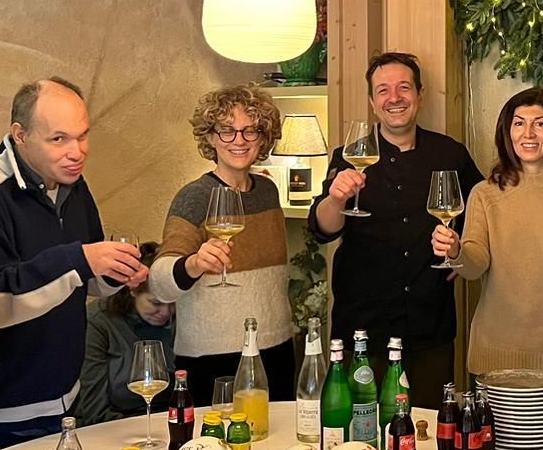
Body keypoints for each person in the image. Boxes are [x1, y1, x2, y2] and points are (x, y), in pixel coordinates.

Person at [0, 77, 147, 450]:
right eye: (59, 139)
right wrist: (78, 259)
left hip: (61, 405)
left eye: (83, 136)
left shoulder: (73, 185)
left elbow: (84, 282)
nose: (76, 152)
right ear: (20, 136)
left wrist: (116, 273)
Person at [309, 52, 482, 408]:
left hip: (429, 324)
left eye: (404, 88)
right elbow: (323, 229)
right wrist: (336, 199)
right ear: (373, 102)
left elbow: (481, 208)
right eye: (383, 90)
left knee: (431, 425)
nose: (395, 98)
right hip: (363, 326)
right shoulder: (349, 155)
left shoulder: (450, 154)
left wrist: (460, 252)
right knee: (362, 426)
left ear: (419, 94)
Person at [433, 87, 543, 446]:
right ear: (507, 133)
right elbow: (475, 264)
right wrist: (456, 250)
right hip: (495, 359)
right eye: (519, 123)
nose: (528, 133)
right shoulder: (484, 194)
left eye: (540, 123)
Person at [149, 85, 296, 404]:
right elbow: (159, 283)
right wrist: (194, 264)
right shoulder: (195, 197)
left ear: (263, 138)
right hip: (213, 359)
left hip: (276, 349)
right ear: (211, 137)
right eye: (227, 131)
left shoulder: (268, 192)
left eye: (250, 130)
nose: (239, 140)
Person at [76, 242, 176, 425]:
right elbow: (94, 410)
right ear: (133, 290)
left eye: (173, 304)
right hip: (115, 425)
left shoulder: (180, 319)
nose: (166, 312)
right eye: (156, 303)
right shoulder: (99, 321)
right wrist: (145, 429)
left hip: (170, 420)